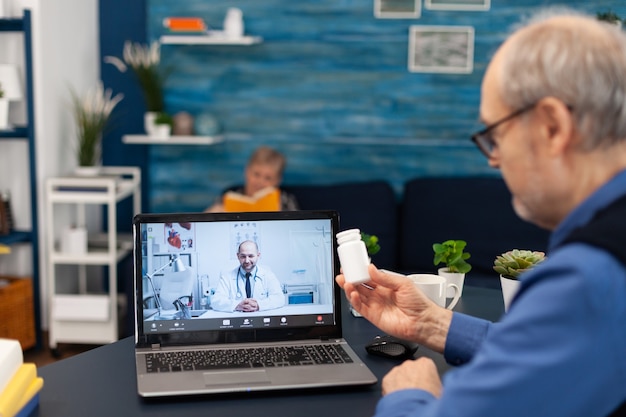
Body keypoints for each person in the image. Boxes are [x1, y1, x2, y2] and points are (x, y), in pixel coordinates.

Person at [337, 9, 626, 417]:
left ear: (552, 127)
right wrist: (434, 325)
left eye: (496, 135)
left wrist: (409, 393)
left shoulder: (591, 278)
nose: (493, 160)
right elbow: (549, 353)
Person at [206, 146, 299, 212]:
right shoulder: (228, 196)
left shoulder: (286, 201)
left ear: (278, 180)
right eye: (256, 174)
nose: (260, 182)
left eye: (268, 178)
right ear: (247, 171)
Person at [211, 240, 285, 312]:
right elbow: (216, 301)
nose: (247, 261)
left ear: (258, 255)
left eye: (251, 256)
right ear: (238, 256)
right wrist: (237, 305)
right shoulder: (227, 277)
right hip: (236, 321)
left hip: (262, 320)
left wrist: (259, 305)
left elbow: (279, 298)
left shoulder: (268, 275)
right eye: (243, 256)